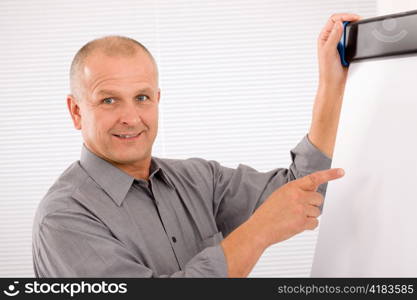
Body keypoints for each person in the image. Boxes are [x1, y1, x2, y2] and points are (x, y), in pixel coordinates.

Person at [32, 13, 360, 277]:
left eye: (142, 98)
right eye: (108, 100)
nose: (130, 117)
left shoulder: (198, 179)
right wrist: (259, 231)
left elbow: (305, 191)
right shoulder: (62, 218)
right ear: (76, 111)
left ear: (157, 100)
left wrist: (331, 83)